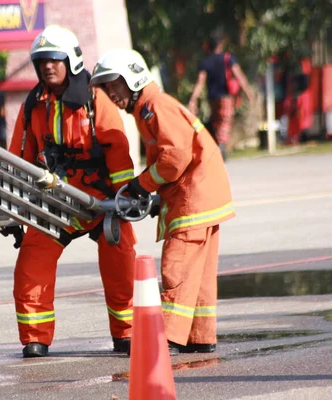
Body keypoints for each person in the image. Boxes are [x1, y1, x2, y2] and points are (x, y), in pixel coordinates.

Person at [90, 48, 235, 355]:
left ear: (132, 78)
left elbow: (175, 157)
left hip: (193, 198)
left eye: (113, 84)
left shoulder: (155, 106)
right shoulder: (150, 107)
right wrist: (153, 193)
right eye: (104, 86)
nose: (110, 93)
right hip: (202, 195)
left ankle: (166, 338)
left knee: (177, 268)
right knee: (199, 276)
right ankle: (199, 336)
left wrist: (142, 184)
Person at [6, 25, 137, 358]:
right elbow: (19, 158)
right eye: (41, 61)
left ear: (71, 61)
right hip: (57, 204)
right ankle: (35, 338)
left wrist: (124, 198)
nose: (48, 66)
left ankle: (127, 334)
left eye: (54, 59)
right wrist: (13, 209)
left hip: (101, 202)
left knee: (121, 259)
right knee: (32, 262)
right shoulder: (34, 103)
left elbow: (118, 151)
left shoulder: (96, 99)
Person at [188, 29, 253, 160]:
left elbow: (200, 82)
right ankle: (221, 147)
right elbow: (239, 76)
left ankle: (217, 146)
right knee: (225, 122)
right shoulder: (228, 58)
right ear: (221, 44)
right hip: (225, 96)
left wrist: (193, 99)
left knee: (217, 121)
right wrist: (248, 92)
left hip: (212, 98)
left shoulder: (205, 62)